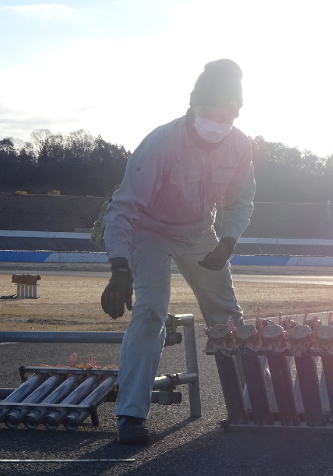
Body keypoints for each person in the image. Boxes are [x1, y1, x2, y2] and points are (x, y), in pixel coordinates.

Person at [100, 59, 255, 444]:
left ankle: (253, 403)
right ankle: (130, 415)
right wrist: (120, 266)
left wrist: (229, 241)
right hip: (150, 230)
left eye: (229, 114)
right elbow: (123, 208)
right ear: (194, 107)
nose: (219, 122)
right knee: (151, 310)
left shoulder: (239, 144)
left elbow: (241, 200)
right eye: (211, 112)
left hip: (200, 231)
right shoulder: (161, 143)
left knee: (228, 315)